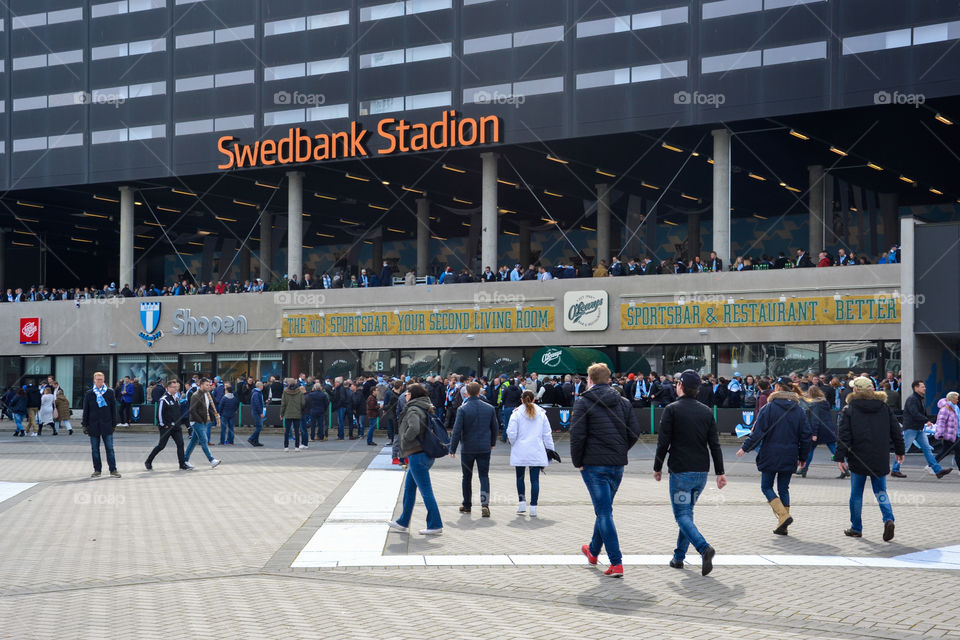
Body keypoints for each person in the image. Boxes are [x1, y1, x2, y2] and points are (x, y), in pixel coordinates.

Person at [570, 362, 641, 578]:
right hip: (616, 465)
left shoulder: (583, 402)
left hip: (593, 465)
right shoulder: (624, 403)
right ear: (608, 379)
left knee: (604, 512)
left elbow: (577, 435)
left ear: (589, 380)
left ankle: (616, 562)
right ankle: (593, 551)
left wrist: (577, 461)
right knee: (604, 509)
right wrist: (620, 451)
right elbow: (635, 432)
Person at [653, 369, 725, 575]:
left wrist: (657, 467)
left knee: (682, 515)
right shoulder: (706, 411)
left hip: (681, 472)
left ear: (681, 386)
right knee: (687, 514)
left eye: (677, 384)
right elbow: (715, 445)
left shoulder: (671, 409)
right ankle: (678, 558)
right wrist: (720, 472)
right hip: (701, 473)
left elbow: (663, 442)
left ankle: (704, 548)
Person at [737, 377, 812, 535]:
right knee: (784, 488)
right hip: (790, 454)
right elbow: (806, 435)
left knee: (766, 486)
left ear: (777, 388)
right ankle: (782, 523)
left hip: (770, 453)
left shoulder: (768, 408)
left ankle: (783, 516)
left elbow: (758, 432)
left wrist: (745, 448)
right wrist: (803, 457)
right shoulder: (799, 410)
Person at [835, 376, 905, 541]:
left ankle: (856, 527)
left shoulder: (849, 408)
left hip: (858, 457)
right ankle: (888, 519)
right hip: (879, 456)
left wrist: (839, 457)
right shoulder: (884, 407)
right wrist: (900, 451)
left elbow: (844, 436)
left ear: (856, 390)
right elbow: (896, 431)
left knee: (856, 494)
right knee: (881, 491)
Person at [387, 383, 443, 535]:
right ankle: (402, 521)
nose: (405, 395)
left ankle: (435, 524)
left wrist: (404, 439)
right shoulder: (425, 406)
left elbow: (414, 428)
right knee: (409, 488)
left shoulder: (413, 409)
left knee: (426, 492)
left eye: (407, 393)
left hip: (417, 454)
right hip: (423, 454)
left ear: (413, 395)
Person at [450, 381, 499, 517]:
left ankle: (467, 505)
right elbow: (494, 428)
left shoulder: (462, 409)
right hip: (484, 447)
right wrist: (492, 442)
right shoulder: (489, 408)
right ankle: (485, 505)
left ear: (467, 393)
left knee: (467, 477)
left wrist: (452, 448)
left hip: (468, 448)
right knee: (484, 476)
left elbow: (457, 430)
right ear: (479, 392)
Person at [507, 389, 555, 518]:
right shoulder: (541, 413)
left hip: (521, 449)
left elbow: (511, 433)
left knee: (520, 477)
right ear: (534, 399)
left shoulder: (516, 413)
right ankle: (533, 507)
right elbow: (547, 434)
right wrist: (551, 449)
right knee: (535, 480)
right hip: (536, 449)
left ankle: (522, 503)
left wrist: (514, 444)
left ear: (521, 400)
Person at [891, 380, 950, 478]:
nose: (925, 388)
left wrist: (924, 421)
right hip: (911, 428)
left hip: (919, 429)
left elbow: (920, 413)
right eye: (922, 387)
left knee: (927, 449)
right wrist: (926, 420)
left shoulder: (919, 399)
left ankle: (938, 471)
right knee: (903, 449)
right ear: (916, 388)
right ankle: (895, 470)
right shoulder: (912, 399)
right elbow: (914, 413)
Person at [81, 372, 121, 478]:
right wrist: (84, 424)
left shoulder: (109, 392)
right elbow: (86, 410)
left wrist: (114, 424)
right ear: (94, 380)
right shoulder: (89, 393)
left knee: (110, 449)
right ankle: (97, 470)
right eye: (98, 379)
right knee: (95, 449)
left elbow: (113, 409)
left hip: (107, 424)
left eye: (102, 379)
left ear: (104, 380)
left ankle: (113, 470)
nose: (100, 381)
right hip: (93, 425)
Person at [145, 380, 189, 471]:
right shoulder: (164, 399)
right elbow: (159, 414)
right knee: (161, 446)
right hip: (167, 427)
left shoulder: (176, 398)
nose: (176, 389)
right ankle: (148, 461)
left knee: (180, 444)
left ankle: (182, 464)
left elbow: (177, 412)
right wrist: (163, 425)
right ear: (168, 388)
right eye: (174, 387)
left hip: (176, 427)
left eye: (176, 387)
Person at [798, 386, 841, 478]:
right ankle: (844, 468)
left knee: (810, 450)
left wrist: (814, 433)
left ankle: (804, 469)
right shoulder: (825, 402)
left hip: (819, 430)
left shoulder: (814, 404)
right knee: (834, 449)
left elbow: (815, 420)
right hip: (829, 429)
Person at [185, 378, 221, 469]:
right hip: (197, 422)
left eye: (209, 385)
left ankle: (184, 460)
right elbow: (192, 410)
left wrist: (214, 416)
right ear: (201, 385)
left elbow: (209, 408)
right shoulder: (196, 395)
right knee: (204, 440)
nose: (208, 386)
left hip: (203, 421)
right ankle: (212, 460)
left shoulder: (208, 394)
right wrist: (200, 420)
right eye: (206, 385)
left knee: (193, 442)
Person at [934, 392, 960, 471]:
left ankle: (932, 465)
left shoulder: (955, 408)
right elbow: (941, 422)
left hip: (955, 434)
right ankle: (932, 465)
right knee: (957, 451)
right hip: (948, 434)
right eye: (956, 398)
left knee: (945, 451)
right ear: (951, 399)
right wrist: (940, 434)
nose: (958, 400)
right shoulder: (945, 408)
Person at [281, 378, 306, 451]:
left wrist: (282, 413)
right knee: (297, 431)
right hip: (297, 413)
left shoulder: (285, 392)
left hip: (288, 413)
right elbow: (303, 403)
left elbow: (283, 404)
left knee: (287, 431)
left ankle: (286, 447)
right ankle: (297, 447)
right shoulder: (300, 392)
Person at [248, 381, 266, 447]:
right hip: (256, 412)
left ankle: (256, 441)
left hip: (256, 412)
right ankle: (251, 438)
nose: (263, 387)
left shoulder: (258, 393)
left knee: (258, 427)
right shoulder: (256, 393)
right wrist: (261, 412)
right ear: (259, 386)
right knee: (259, 427)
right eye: (262, 385)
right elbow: (257, 403)